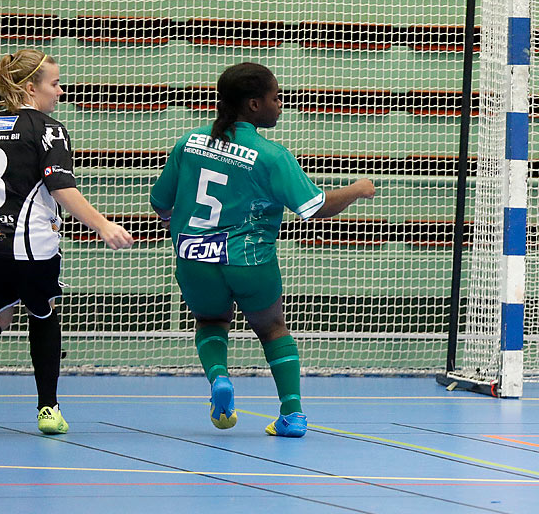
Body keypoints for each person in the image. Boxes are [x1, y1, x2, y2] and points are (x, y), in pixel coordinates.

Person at [150, 63, 375, 438]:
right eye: (275, 97)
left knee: (210, 321)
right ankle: (292, 414)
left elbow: (160, 202)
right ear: (254, 105)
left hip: (194, 259)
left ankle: (220, 378)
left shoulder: (188, 142)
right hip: (249, 260)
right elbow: (314, 208)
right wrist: (356, 189)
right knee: (272, 329)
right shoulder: (271, 155)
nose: (281, 104)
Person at [0, 49, 135, 434]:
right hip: (29, 246)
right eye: (53, 83)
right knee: (42, 311)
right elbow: (61, 186)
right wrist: (102, 225)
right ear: (29, 88)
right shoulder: (48, 129)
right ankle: (48, 409)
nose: (59, 90)